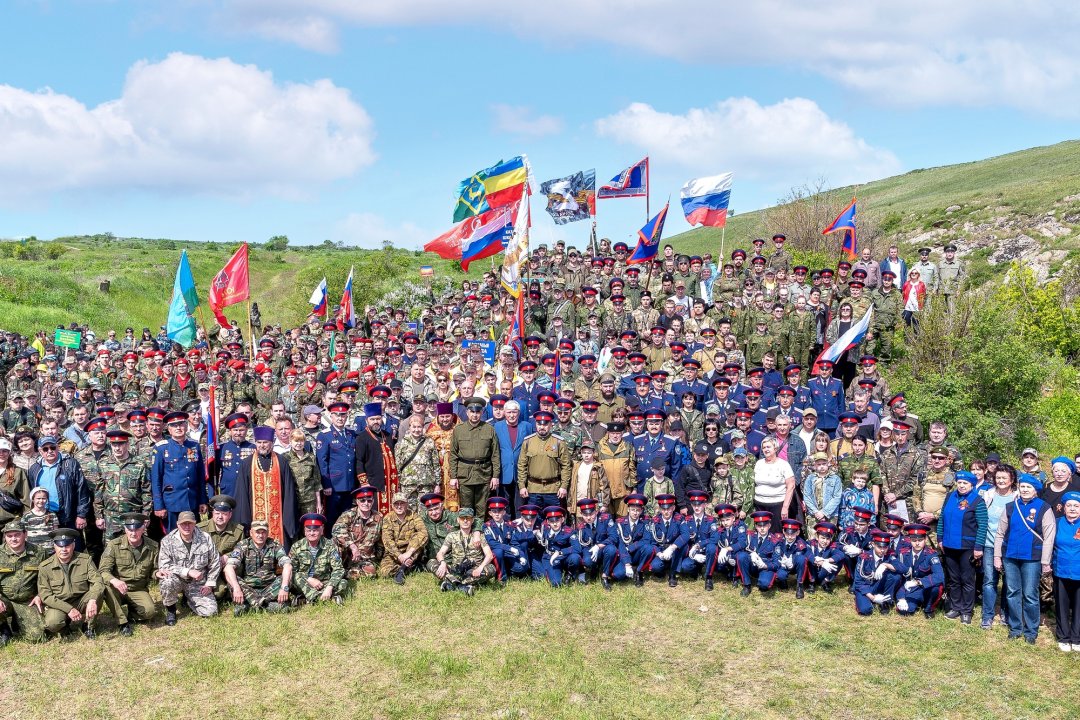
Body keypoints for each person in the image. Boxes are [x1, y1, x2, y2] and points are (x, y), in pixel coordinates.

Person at [994, 474, 1056, 644]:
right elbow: (1000, 534)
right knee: (1013, 593)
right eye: (1022, 487)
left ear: (1035, 490)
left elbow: (1049, 537)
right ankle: (1015, 628)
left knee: (1030, 594)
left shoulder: (1044, 508)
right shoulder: (1010, 507)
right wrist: (997, 556)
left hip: (1032, 558)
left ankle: (1031, 630)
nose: (1025, 490)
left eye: (1029, 487)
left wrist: (1045, 561)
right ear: (1019, 488)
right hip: (1011, 556)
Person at [936, 470, 988, 624]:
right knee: (953, 579)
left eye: (965, 483)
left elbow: (982, 525)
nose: (962, 485)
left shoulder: (977, 501)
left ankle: (966, 611)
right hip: (949, 545)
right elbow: (942, 519)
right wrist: (940, 538)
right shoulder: (950, 496)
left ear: (972, 485)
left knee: (967, 579)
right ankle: (955, 607)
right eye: (959, 482)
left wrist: (978, 546)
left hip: (967, 547)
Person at [234, 426, 298, 547]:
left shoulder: (281, 461)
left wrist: (288, 520)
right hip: (255, 516)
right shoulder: (247, 463)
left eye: (265, 442)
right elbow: (241, 494)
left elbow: (289, 492)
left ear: (272, 443)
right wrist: (245, 522)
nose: (262, 445)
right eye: (259, 442)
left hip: (278, 520)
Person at [98, 512, 159, 636]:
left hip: (138, 588)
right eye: (129, 529)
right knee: (108, 588)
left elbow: (154, 570)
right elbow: (103, 571)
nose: (133, 533)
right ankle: (123, 623)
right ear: (125, 529)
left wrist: (158, 574)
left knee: (150, 612)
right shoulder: (114, 545)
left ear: (143, 528)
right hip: (117, 588)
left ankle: (133, 612)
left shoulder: (153, 546)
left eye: (137, 529)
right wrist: (115, 581)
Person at [37, 527, 104, 638]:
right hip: (59, 603)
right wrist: (69, 609)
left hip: (81, 599)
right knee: (52, 623)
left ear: (73, 545)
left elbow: (97, 581)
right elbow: (46, 596)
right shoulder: (45, 567)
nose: (64, 549)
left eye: (67, 545)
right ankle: (64, 626)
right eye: (60, 546)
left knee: (98, 593)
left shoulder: (85, 560)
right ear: (54, 546)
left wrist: (92, 600)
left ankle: (88, 625)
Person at [156, 510, 220, 624]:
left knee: (211, 611)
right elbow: (164, 565)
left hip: (198, 582)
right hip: (177, 579)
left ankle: (189, 599)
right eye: (183, 524)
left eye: (190, 523)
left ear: (195, 523)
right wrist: (188, 571)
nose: (187, 526)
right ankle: (171, 610)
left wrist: (210, 584)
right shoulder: (167, 541)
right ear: (177, 524)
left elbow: (215, 561)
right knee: (166, 582)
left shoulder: (205, 538)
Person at [151, 412, 208, 533]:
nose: (178, 428)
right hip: (172, 503)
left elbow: (200, 477)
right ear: (169, 429)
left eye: (181, 424)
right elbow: (156, 479)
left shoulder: (194, 446)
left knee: (192, 535)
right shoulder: (161, 448)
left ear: (186, 426)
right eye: (174, 425)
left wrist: (202, 500)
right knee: (172, 537)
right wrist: (158, 505)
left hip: (191, 501)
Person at [224, 519, 293, 616]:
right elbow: (228, 567)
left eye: (263, 532)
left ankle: (250, 606)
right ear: (251, 533)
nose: (260, 535)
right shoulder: (243, 545)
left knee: (287, 577)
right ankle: (268, 605)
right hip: (248, 587)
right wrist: (236, 588)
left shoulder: (274, 545)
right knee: (232, 579)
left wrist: (284, 587)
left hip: (269, 587)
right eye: (257, 532)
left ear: (267, 533)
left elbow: (287, 565)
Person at [93, 429, 153, 540]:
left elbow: (147, 492)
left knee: (135, 548)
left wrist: (146, 515)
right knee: (111, 550)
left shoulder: (139, 464)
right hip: (111, 517)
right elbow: (98, 492)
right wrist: (99, 516)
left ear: (127, 444)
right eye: (114, 444)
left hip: (133, 516)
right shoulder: (103, 464)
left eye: (120, 444)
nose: (117, 448)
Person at [449, 397, 500, 517]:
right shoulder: (458, 430)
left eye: (478, 412)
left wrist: (495, 476)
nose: (475, 415)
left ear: (482, 412)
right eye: (472, 412)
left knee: (482, 507)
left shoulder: (489, 429)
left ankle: (479, 532)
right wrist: (453, 476)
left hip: (484, 473)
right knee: (466, 507)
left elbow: (495, 455)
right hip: (465, 474)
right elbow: (453, 455)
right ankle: (468, 533)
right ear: (467, 412)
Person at [981, 463, 1017, 629]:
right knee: (989, 580)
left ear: (1012, 480)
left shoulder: (1017, 496)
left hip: (1010, 546)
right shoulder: (988, 495)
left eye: (1004, 478)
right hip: (989, 544)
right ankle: (987, 615)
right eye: (998, 477)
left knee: (1009, 581)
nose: (1001, 480)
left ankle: (1005, 613)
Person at [0, 519, 47, 644]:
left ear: (25, 534)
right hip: (4, 599)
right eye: (9, 536)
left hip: (27, 601)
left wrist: (40, 595)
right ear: (5, 537)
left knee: (37, 637)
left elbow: (48, 578)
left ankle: (17, 621)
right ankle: (3, 628)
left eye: (17, 535)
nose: (13, 539)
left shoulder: (39, 552)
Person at [517, 411, 571, 512]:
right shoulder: (528, 442)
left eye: (545, 424)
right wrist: (522, 486)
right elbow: (522, 466)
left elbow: (566, 466)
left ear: (551, 424)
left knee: (555, 520)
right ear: (535, 424)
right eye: (539, 424)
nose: (542, 427)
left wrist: (564, 486)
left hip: (553, 490)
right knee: (533, 521)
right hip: (532, 489)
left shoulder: (559, 442)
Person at [289, 513, 346, 605]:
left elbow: (338, 569)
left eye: (315, 530)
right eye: (308, 530)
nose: (311, 533)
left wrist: (329, 587)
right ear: (305, 531)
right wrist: (309, 579)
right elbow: (292, 571)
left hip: (323, 582)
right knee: (295, 577)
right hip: (304, 582)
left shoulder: (330, 545)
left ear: (322, 530)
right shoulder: (296, 547)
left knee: (343, 583)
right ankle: (318, 598)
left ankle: (305, 598)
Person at [354, 402, 400, 515]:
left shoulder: (388, 435)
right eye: (372, 419)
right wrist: (364, 482)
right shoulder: (362, 438)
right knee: (376, 512)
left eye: (378, 419)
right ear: (367, 420)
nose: (376, 422)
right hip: (374, 482)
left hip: (391, 482)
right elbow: (359, 461)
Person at [894, 523, 945, 617]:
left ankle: (929, 608)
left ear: (925, 539)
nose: (917, 543)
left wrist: (918, 582)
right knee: (905, 611)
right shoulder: (903, 553)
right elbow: (901, 578)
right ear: (909, 540)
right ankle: (916, 602)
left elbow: (939, 576)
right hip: (910, 588)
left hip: (926, 588)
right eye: (914, 540)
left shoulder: (931, 555)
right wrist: (901, 597)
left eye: (920, 540)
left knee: (936, 587)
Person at [331, 486, 383, 579]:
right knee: (334, 542)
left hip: (364, 558)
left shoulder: (378, 517)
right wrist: (352, 546)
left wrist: (379, 558)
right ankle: (335, 569)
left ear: (373, 501)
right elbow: (336, 530)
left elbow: (381, 540)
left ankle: (344, 573)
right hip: (346, 554)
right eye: (362, 500)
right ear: (357, 501)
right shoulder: (348, 515)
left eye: (369, 500)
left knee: (371, 573)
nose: (366, 503)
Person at [378, 492, 428, 584]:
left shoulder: (414, 516)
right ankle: (408, 568)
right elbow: (387, 540)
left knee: (417, 537)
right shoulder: (388, 518)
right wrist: (399, 556)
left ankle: (406, 565)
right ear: (392, 505)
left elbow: (423, 533)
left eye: (402, 503)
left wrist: (408, 553)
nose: (399, 506)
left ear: (407, 504)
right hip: (394, 553)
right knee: (385, 572)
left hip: (410, 552)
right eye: (396, 503)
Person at [394, 415, 441, 512]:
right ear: (409, 427)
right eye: (414, 427)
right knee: (409, 511)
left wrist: (437, 483)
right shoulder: (401, 444)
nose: (416, 430)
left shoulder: (429, 442)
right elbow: (398, 466)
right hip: (408, 483)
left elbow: (435, 464)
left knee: (425, 511)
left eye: (419, 427)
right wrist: (398, 483)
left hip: (426, 484)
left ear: (423, 428)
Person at [1052, 492, 1080, 652]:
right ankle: (1063, 636)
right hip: (1061, 569)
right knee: (1062, 605)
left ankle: (1076, 637)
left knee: (1079, 606)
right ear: (1063, 508)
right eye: (1069, 505)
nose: (1072, 509)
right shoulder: (1057, 523)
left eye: (1076, 506)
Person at [852, 529, 902, 615]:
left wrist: (885, 565)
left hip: (880, 585)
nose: (882, 550)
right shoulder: (864, 558)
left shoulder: (890, 555)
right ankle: (872, 601)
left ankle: (886, 602)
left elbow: (903, 568)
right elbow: (858, 581)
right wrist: (873, 598)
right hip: (865, 587)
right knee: (865, 611)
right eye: (879, 547)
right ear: (873, 544)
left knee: (895, 577)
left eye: (885, 547)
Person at [753, 437, 795, 528]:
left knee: (776, 535)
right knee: (761, 531)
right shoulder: (759, 463)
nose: (766, 449)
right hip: (759, 504)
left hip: (777, 505)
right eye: (764, 447)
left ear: (775, 448)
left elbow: (791, 486)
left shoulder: (784, 465)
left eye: (768, 447)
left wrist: (785, 507)